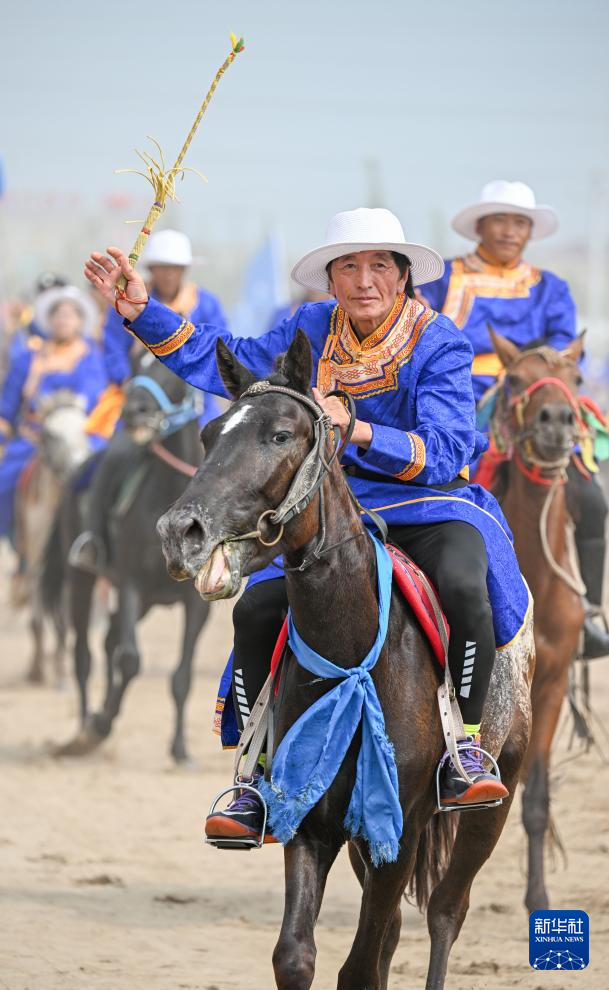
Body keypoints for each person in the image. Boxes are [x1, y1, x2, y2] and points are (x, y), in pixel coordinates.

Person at [85, 207, 531, 839]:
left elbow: (450, 449)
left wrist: (358, 428)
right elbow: (227, 361)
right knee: (254, 610)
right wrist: (139, 311)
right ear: (330, 279)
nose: (364, 279)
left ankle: (466, 747)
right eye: (348, 266)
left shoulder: (441, 342)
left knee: (463, 583)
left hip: (424, 503)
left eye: (379, 265)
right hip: (321, 508)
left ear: (403, 276)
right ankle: (253, 778)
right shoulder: (310, 326)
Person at [420, 180, 609, 658]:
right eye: (501, 220)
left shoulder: (550, 288)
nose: (510, 231)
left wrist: (532, 378)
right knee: (440, 480)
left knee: (589, 489)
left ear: (530, 231)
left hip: (530, 398)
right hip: (456, 397)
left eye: (520, 222)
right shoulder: (444, 276)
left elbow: (566, 351)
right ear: (480, 226)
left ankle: (588, 609)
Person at [70, 229, 226, 573]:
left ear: (184, 270)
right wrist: (124, 379)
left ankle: (222, 549)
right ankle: (93, 540)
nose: (168, 274)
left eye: (175, 267)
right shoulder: (125, 301)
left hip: (194, 405)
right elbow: (112, 344)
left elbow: (221, 347)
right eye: (161, 267)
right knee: (112, 456)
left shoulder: (206, 304)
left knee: (225, 465)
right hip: (140, 399)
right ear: (152, 269)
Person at [0, 286, 107, 541]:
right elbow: (10, 401)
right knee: (5, 480)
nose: (63, 320)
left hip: (80, 432)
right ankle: (15, 545)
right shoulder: (30, 357)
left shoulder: (91, 355)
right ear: (49, 319)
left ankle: (96, 540)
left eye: (70, 316)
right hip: (33, 436)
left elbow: (93, 393)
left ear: (80, 321)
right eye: (59, 315)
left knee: (101, 475)